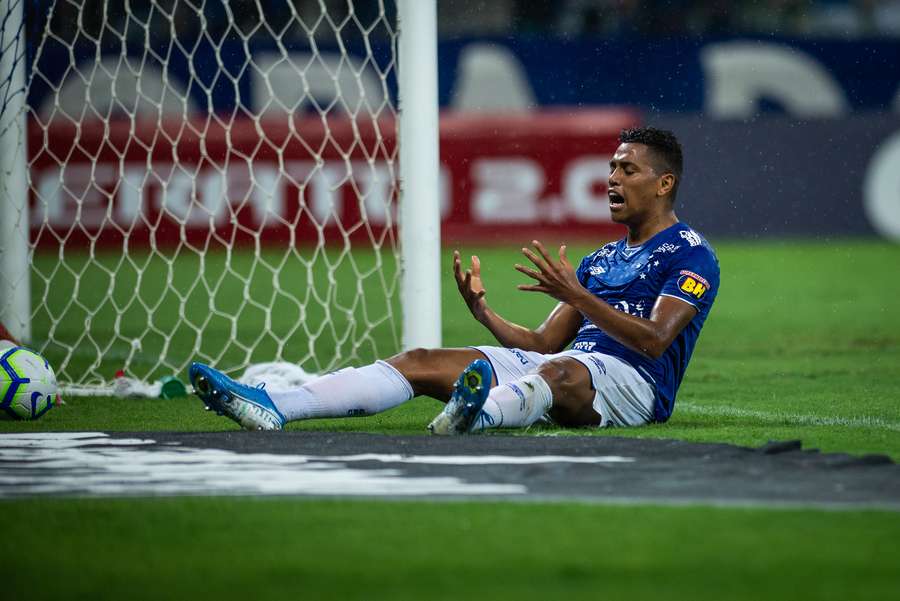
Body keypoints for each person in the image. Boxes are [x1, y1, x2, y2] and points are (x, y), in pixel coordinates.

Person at [189, 127, 719, 434]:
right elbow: (539, 343)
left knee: (559, 373)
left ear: (664, 182)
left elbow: (654, 341)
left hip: (633, 385)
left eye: (628, 170)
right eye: (611, 167)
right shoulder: (601, 258)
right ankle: (276, 405)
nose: (612, 179)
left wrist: (579, 296)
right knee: (420, 360)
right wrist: (485, 315)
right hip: (565, 365)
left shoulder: (692, 255)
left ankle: (477, 413)